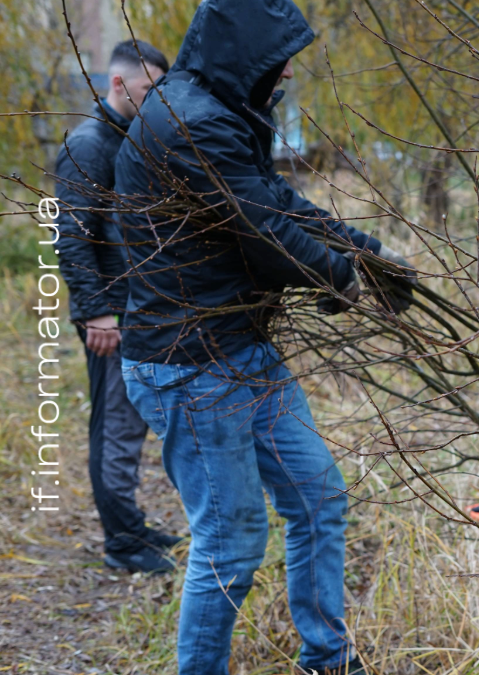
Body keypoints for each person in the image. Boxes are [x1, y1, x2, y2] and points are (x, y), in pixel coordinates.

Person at [112, 1, 411, 673]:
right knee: (232, 539)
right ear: (246, 55)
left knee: (317, 495)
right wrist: (340, 277)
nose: (286, 76)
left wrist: (364, 251)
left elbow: (274, 198)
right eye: (280, 63)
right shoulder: (191, 123)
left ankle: (327, 659)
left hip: (239, 346)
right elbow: (261, 230)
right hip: (190, 364)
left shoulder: (218, 106)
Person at [54, 39, 179, 574]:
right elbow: (72, 235)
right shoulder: (89, 144)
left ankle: (131, 525)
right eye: (149, 90)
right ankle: (122, 544)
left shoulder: (131, 136)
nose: (156, 101)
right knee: (116, 428)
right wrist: (96, 312)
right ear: (118, 84)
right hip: (112, 314)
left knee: (131, 425)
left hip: (140, 308)